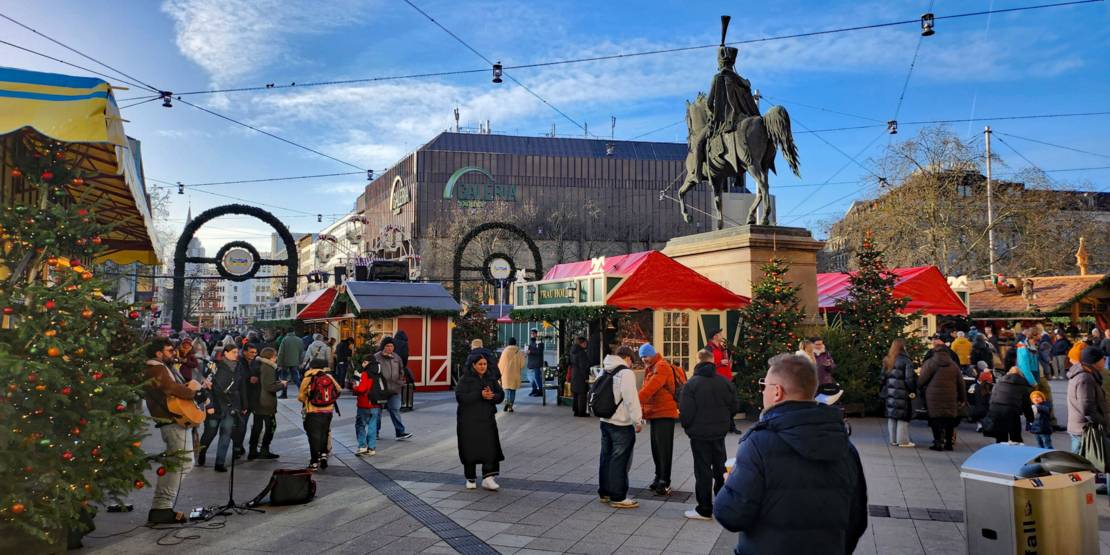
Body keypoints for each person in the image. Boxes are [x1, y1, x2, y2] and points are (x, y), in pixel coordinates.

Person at [714, 353, 867, 554]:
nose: (762, 392)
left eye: (764, 386)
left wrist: (730, 484)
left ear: (777, 391)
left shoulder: (757, 444)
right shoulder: (846, 447)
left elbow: (730, 515)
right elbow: (857, 520)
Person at [144, 338, 202, 524]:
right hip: (171, 419)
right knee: (182, 463)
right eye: (169, 350)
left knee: (178, 462)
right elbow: (170, 388)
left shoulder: (162, 367)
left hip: (173, 418)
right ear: (158, 353)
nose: (173, 353)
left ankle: (162, 506)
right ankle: (161, 507)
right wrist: (192, 390)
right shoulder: (156, 367)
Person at [680, 349, 737, 520]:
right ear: (712, 361)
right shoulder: (724, 382)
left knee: (702, 470)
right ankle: (722, 503)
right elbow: (734, 405)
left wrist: (688, 427)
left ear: (697, 360)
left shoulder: (692, 384)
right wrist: (725, 420)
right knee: (720, 467)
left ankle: (704, 508)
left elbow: (686, 412)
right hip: (719, 432)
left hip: (699, 434)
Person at [598, 346, 644, 509]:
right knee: (620, 460)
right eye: (632, 361)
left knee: (606, 456)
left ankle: (605, 492)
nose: (631, 365)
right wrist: (638, 420)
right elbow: (631, 399)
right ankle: (618, 496)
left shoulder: (606, 369)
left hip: (605, 420)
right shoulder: (625, 373)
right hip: (621, 423)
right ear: (628, 358)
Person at [637, 343, 684, 497]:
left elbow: (650, 389)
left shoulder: (661, 366)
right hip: (655, 413)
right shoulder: (651, 367)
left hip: (665, 413)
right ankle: (658, 477)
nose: (644, 359)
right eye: (642, 357)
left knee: (664, 449)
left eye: (646, 356)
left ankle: (664, 480)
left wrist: (632, 402)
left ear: (653, 354)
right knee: (656, 448)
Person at [456, 353, 506, 490]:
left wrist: (492, 396)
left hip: (487, 419)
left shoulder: (491, 378)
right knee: (470, 448)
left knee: (490, 448)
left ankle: (488, 478)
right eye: (480, 364)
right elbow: (460, 397)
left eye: (484, 364)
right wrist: (480, 395)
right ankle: (470, 478)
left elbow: (501, 395)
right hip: (468, 420)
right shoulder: (465, 379)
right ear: (473, 365)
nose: (483, 367)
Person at [200, 344, 242, 471]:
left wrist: (242, 404)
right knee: (210, 433)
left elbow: (240, 387)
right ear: (226, 353)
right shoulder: (214, 366)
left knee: (226, 434)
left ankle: (220, 462)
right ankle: (202, 451)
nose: (236, 354)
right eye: (234, 352)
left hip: (230, 406)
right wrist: (210, 405)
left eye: (237, 352)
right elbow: (206, 388)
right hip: (215, 406)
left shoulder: (238, 367)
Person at [919, 342, 966, 451]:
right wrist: (962, 398)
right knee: (949, 419)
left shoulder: (930, 363)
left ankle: (938, 443)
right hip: (950, 396)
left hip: (933, 397)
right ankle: (948, 443)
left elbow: (922, 380)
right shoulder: (954, 365)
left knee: (936, 419)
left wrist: (920, 388)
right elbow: (961, 383)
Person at [298, 358, 341, 470]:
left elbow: (300, 397)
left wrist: (307, 398)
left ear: (311, 366)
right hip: (328, 411)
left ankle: (314, 462)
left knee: (314, 436)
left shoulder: (308, 377)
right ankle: (323, 455)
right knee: (324, 433)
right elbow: (339, 390)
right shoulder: (329, 377)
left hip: (313, 411)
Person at [1067, 347, 1108, 454]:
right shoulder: (1085, 378)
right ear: (1095, 361)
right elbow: (1087, 408)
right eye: (1103, 358)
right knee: (1079, 463)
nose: (1105, 360)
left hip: (1083, 427)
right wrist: (1102, 421)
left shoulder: (1088, 374)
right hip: (1084, 429)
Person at [375, 337, 414, 440]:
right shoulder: (377, 357)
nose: (389, 348)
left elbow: (401, 370)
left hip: (395, 389)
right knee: (378, 412)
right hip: (381, 390)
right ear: (383, 346)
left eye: (391, 346)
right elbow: (372, 372)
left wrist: (400, 382)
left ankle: (400, 432)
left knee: (395, 410)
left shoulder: (397, 357)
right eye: (387, 346)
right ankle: (375, 432)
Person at [249, 347, 284, 459]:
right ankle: (264, 450)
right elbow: (269, 386)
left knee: (257, 427)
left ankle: (252, 450)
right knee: (271, 427)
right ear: (270, 357)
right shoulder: (268, 368)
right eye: (275, 356)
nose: (276, 358)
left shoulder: (258, 364)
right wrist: (282, 384)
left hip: (258, 401)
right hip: (266, 402)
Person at [881, 338, 917, 447]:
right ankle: (903, 441)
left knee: (892, 416)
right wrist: (912, 390)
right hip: (903, 393)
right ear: (903, 347)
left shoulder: (887, 359)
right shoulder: (906, 361)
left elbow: (882, 377)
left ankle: (893, 440)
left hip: (890, 392)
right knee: (903, 416)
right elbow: (909, 379)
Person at [988, 367, 1033, 444]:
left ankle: (1001, 452)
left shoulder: (999, 382)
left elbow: (992, 398)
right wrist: (1030, 419)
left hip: (995, 409)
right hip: (1011, 410)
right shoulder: (1023, 385)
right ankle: (1015, 452)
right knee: (1015, 436)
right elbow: (1026, 405)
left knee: (1001, 437)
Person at [350, 359, 383, 456]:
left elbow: (362, 389)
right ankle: (372, 448)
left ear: (368, 363)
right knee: (372, 426)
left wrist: (354, 386)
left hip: (365, 404)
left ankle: (362, 446)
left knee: (360, 425)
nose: (362, 364)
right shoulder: (379, 373)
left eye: (364, 362)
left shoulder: (366, 373)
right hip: (376, 404)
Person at [232, 344, 258, 458]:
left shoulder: (255, 363)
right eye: (251, 352)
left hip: (253, 399)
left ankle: (240, 446)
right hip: (242, 399)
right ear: (244, 352)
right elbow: (238, 381)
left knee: (243, 426)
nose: (254, 354)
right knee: (240, 426)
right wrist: (249, 379)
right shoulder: (239, 364)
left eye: (255, 352)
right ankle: (237, 448)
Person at [497, 337, 525, 412]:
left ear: (508, 343)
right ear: (515, 343)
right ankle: (510, 407)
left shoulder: (505, 351)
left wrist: (499, 374)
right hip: (515, 374)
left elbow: (501, 364)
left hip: (506, 374)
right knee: (513, 390)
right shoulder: (519, 351)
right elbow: (522, 365)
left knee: (507, 389)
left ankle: (507, 401)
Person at [275, 330, 304, 398]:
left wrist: (279, 363)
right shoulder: (299, 340)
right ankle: (303, 392)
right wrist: (300, 362)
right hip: (295, 362)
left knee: (284, 378)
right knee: (296, 377)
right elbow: (301, 352)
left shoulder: (285, 339)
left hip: (285, 362)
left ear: (287, 332)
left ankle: (284, 394)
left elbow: (281, 353)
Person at [569, 336, 591, 417]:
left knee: (576, 393)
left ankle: (576, 411)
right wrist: (586, 377)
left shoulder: (572, 351)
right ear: (582, 343)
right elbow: (583, 366)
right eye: (585, 343)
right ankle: (581, 412)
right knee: (582, 394)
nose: (586, 344)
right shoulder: (581, 353)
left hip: (574, 374)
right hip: (580, 375)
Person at [526, 329, 545, 397]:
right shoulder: (531, 342)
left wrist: (531, 351)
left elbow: (539, 352)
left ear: (537, 334)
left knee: (537, 377)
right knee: (531, 377)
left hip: (537, 363)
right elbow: (531, 351)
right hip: (531, 363)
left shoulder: (539, 342)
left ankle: (540, 390)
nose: (532, 335)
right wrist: (527, 351)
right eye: (531, 333)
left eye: (533, 333)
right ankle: (534, 389)